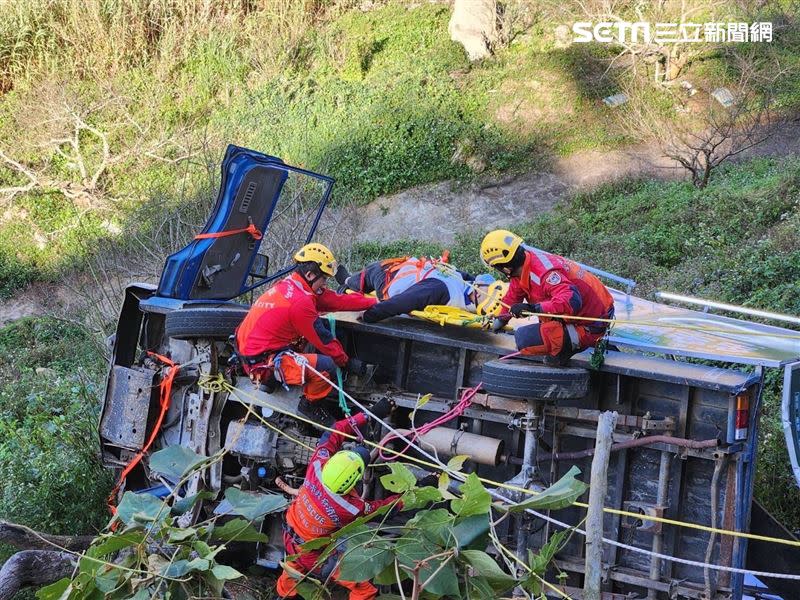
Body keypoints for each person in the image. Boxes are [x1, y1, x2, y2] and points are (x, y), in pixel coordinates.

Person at [234, 243, 376, 423]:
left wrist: (373, 303)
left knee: (308, 345)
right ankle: (310, 405)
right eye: (324, 278)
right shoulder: (300, 304)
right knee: (328, 366)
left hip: (251, 350)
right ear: (310, 275)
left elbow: (336, 301)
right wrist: (346, 363)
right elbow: (325, 341)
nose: (325, 283)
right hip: (262, 363)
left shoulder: (292, 285)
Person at [276, 398, 400, 600]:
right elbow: (385, 508)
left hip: (290, 536)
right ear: (352, 485)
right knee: (364, 589)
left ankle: (282, 596)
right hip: (314, 555)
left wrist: (369, 413)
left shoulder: (316, 466)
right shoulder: (349, 507)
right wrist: (417, 490)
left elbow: (334, 431)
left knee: (291, 568)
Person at [480, 229, 615, 365]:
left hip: (592, 322)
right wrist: (501, 320)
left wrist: (533, 308)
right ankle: (565, 338)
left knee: (526, 339)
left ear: (505, 268)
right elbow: (512, 297)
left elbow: (571, 300)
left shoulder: (543, 273)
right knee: (540, 329)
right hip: (586, 312)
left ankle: (576, 344)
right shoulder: (523, 266)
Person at [339, 256, 505, 322]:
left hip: (390, 278)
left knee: (373, 270)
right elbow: (469, 276)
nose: (484, 282)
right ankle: (348, 281)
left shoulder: (438, 289)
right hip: (413, 272)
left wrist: (369, 315)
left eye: (487, 286)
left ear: (482, 293)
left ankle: (346, 281)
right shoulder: (466, 286)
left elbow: (400, 303)